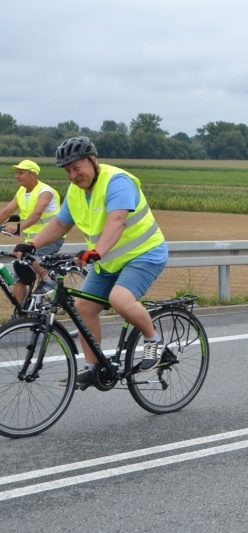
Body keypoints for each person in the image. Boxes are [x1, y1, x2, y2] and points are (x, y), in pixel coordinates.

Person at [14, 137, 169, 389]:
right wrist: (33, 245)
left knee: (120, 299)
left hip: (143, 254)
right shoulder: (76, 192)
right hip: (108, 261)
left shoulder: (117, 181)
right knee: (83, 307)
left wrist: (97, 250)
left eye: (78, 168)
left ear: (93, 161)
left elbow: (117, 220)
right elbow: (61, 224)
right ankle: (93, 367)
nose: (74, 175)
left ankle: (153, 340)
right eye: (68, 171)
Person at [0, 159, 65, 301]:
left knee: (29, 259)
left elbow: (37, 214)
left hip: (52, 238)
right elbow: (5, 212)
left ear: (33, 174)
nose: (17, 176)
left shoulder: (45, 192)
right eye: (16, 172)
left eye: (21, 173)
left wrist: (18, 228)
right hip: (32, 241)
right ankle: (22, 313)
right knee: (19, 277)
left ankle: (47, 280)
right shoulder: (22, 192)